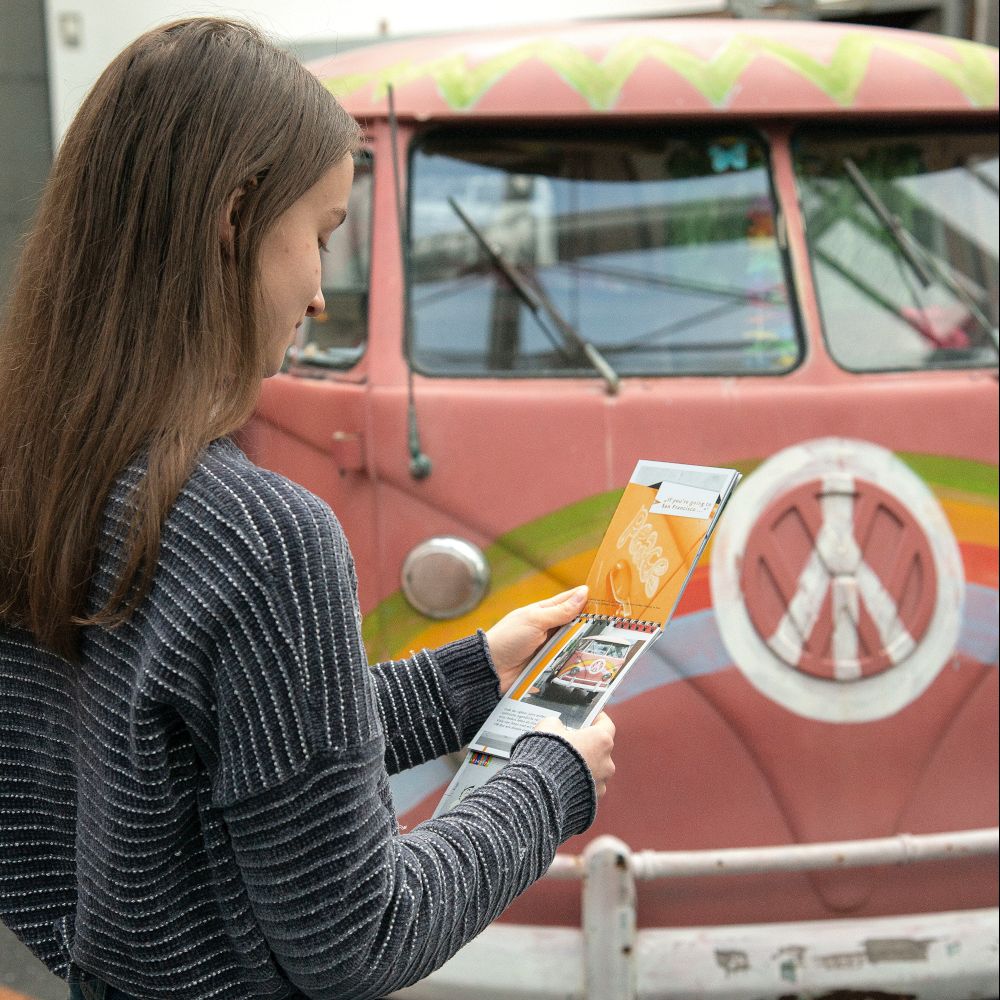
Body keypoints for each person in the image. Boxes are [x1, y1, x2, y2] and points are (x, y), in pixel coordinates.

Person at [0, 17, 616, 1000]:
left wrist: (477, 672)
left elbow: (235, 759)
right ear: (235, 216)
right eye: (323, 234)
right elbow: (361, 939)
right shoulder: (262, 537)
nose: (321, 295)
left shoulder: (37, 476)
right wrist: (550, 775)